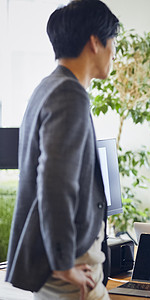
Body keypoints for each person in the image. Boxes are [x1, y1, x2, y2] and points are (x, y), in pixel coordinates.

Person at [6, 0, 119, 299]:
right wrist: (63, 261)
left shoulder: (48, 86)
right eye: (112, 43)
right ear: (95, 42)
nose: (114, 53)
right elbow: (55, 183)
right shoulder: (70, 95)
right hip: (73, 266)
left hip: (64, 261)